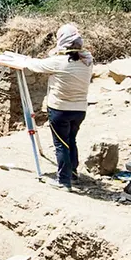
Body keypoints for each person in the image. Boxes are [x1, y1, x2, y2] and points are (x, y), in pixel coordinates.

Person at [26, 24, 94, 191]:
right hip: (79, 110)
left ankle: (64, 181)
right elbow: (78, 54)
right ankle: (73, 173)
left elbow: (35, 65)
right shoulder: (87, 60)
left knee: (61, 144)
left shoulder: (58, 62)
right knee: (71, 140)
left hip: (60, 110)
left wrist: (24, 59)